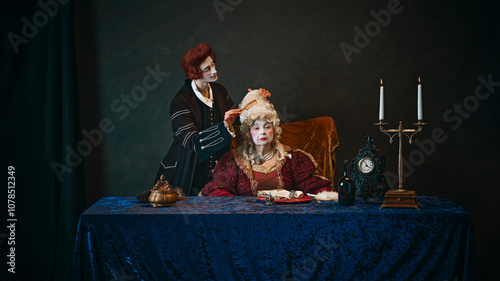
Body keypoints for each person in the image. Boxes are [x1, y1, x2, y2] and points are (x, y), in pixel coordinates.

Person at [153, 43, 269, 197]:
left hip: (218, 172)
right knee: (189, 216)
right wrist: (225, 126)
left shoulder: (220, 90)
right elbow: (192, 142)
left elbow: (239, 118)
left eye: (213, 65)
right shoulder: (180, 101)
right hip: (186, 170)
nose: (214, 71)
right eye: (207, 69)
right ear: (195, 73)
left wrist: (255, 97)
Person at [201, 90, 334, 197]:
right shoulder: (234, 161)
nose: (262, 132)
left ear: (274, 129)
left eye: (267, 126)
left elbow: (312, 185)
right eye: (256, 128)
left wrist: (327, 195)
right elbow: (218, 191)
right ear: (249, 133)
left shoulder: (290, 159)